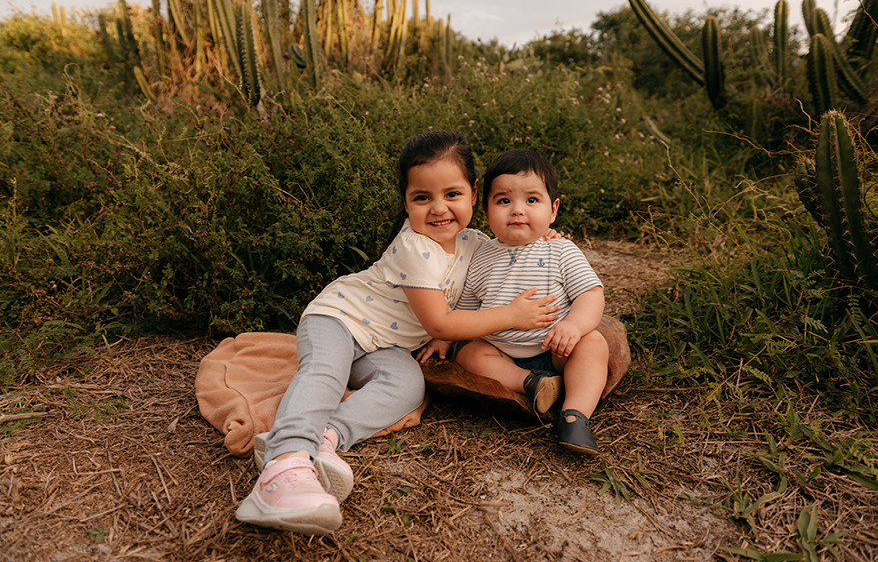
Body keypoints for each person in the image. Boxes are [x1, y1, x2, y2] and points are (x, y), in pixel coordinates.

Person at [235, 132, 561, 535]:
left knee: (408, 385)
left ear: (474, 193)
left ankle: (324, 438)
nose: (439, 209)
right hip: (339, 319)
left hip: (385, 345)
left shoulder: (475, 243)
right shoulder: (414, 246)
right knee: (325, 371)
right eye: (422, 197)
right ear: (406, 201)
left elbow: (510, 246)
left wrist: (544, 236)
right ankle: (282, 466)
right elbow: (440, 324)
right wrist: (511, 315)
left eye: (452, 194)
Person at [445, 149, 609, 455]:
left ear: (553, 210)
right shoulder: (480, 257)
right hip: (501, 350)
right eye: (504, 201)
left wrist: (573, 326)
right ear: (485, 209)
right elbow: (464, 310)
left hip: (555, 347)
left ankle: (574, 416)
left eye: (532, 200)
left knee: (594, 343)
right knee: (469, 353)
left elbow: (591, 294)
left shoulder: (561, 251)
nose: (517, 210)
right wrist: (444, 338)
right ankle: (532, 384)